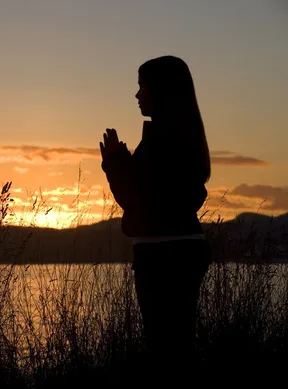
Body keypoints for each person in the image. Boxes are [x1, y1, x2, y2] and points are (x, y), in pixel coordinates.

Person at [99, 55, 212, 380]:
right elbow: (173, 195)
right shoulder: (180, 137)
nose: (137, 95)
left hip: (163, 255)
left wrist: (116, 163)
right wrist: (123, 162)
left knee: (166, 353)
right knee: (176, 348)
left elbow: (137, 201)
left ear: (161, 92)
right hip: (178, 250)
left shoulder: (163, 141)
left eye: (142, 87)